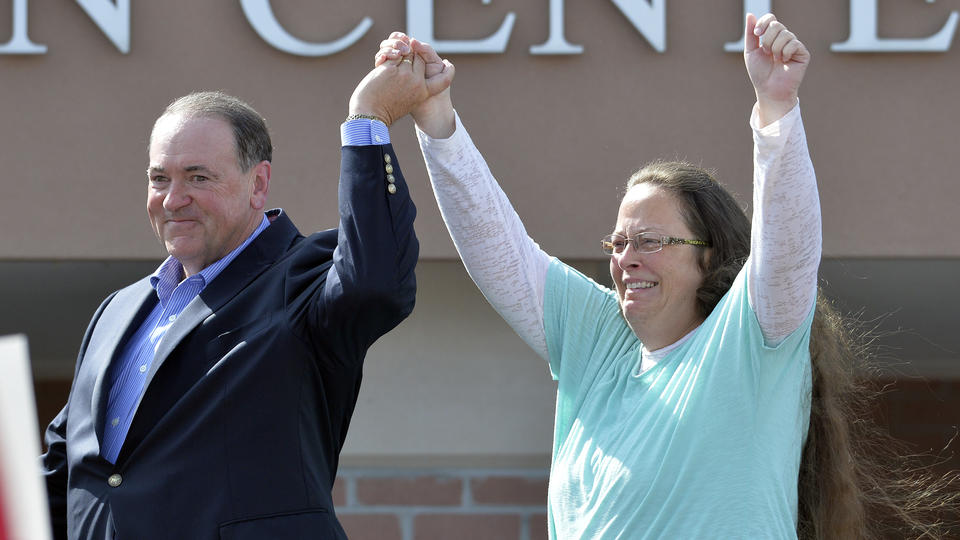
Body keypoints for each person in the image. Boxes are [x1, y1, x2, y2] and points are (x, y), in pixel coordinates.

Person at [378, 13, 958, 540]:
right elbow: (499, 252)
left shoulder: (750, 341)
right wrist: (437, 121)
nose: (627, 258)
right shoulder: (599, 342)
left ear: (709, 256)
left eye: (651, 242)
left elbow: (786, 248)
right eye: (619, 242)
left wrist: (777, 110)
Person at [40, 54, 450, 539]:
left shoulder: (303, 277)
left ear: (258, 185)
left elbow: (377, 284)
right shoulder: (117, 311)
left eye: (198, 177)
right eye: (159, 179)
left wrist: (367, 119)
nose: (173, 199)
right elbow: (65, 472)